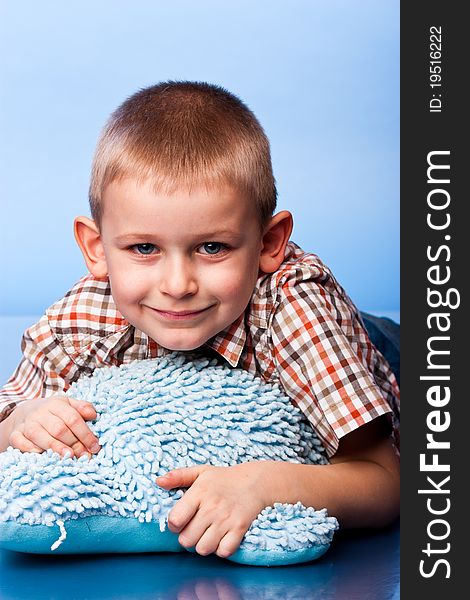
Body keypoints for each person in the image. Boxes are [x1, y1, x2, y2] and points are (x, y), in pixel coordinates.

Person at [0, 81, 400, 559]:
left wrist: (266, 483)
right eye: (144, 248)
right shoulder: (81, 320)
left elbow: (384, 480)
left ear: (269, 244)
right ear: (95, 248)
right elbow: (7, 418)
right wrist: (21, 423)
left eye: (212, 247)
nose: (177, 284)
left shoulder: (294, 309)